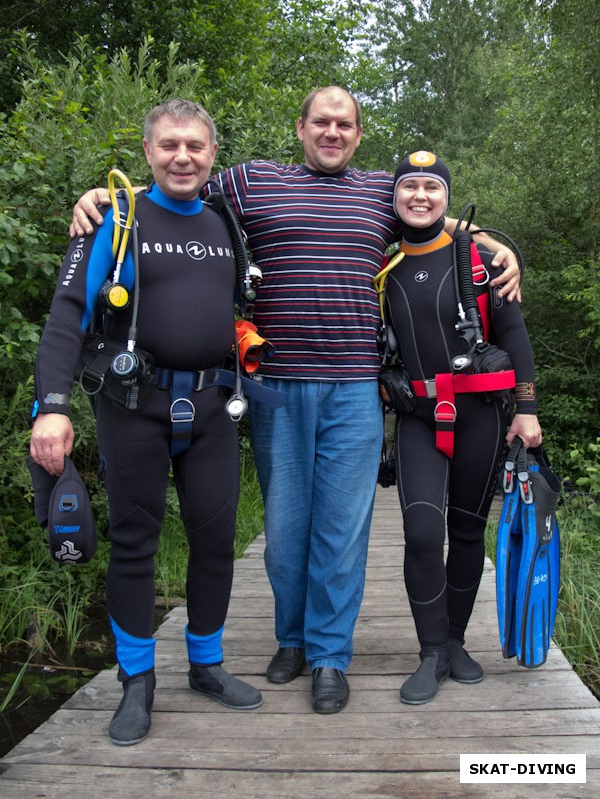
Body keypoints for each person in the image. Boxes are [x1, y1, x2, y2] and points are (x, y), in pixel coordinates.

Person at [69, 87, 522, 715]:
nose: (332, 132)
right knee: (285, 532)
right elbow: (176, 183)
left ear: (358, 135)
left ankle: (331, 656)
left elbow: (431, 222)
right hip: (277, 386)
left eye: (344, 124)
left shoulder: (376, 196)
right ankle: (292, 640)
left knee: (343, 531)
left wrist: (499, 249)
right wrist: (102, 198)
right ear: (302, 128)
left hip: (355, 389)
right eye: (321, 122)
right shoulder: (253, 182)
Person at [30, 99, 263, 747]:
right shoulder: (115, 217)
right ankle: (137, 682)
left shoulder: (225, 219)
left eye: (195, 145)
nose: (182, 156)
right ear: (148, 149)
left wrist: (491, 244)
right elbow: (65, 317)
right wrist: (50, 408)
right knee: (136, 541)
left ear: (213, 153)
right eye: (169, 145)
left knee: (216, 541)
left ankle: (206, 664)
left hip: (213, 408)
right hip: (132, 408)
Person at [380, 150, 541, 705]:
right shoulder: (380, 261)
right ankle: (429, 653)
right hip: (419, 418)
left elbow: (515, 335)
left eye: (432, 186)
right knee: (424, 534)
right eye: (409, 186)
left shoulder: (481, 260)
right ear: (394, 194)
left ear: (447, 197)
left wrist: (528, 409)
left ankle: (454, 641)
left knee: (467, 531)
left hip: (483, 417)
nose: (420, 196)